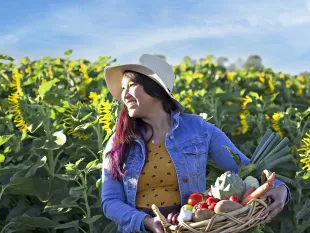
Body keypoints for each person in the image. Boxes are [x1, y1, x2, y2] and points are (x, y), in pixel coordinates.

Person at [101, 54, 290, 233]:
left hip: (191, 226)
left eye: (131, 85)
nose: (124, 95)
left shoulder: (199, 130)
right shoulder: (119, 140)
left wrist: (281, 188)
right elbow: (110, 201)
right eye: (123, 88)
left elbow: (246, 167)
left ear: (156, 89)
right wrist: (146, 222)